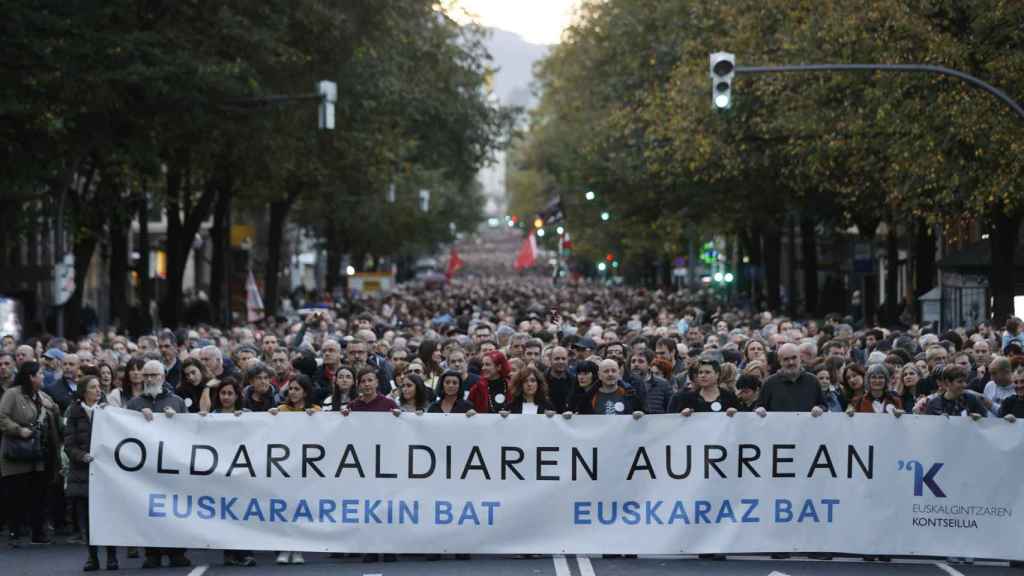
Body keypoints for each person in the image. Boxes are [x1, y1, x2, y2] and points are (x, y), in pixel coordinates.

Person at [126, 360, 190, 569]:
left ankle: (176, 553)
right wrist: (137, 419)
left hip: (171, 468)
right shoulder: (134, 404)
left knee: (174, 511)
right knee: (149, 511)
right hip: (147, 469)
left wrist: (176, 419)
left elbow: (190, 433)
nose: (149, 379)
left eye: (153, 375)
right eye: (146, 376)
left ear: (162, 377)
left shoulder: (177, 402)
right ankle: (152, 553)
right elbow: (125, 433)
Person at [0, 361, 62, 546]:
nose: (43, 376)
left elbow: (56, 413)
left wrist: (50, 406)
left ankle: (38, 532)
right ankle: (15, 532)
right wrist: (18, 430)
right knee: (16, 494)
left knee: (39, 494)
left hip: (38, 453)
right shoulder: (13, 394)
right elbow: (2, 417)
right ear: (31, 377)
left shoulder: (41, 395)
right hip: (16, 453)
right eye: (40, 373)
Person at [64, 376, 117, 571]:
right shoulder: (74, 412)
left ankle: (112, 556)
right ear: (83, 391)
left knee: (107, 516)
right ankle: (92, 557)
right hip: (83, 473)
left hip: (105, 473)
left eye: (99, 387)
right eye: (93, 387)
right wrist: (82, 456)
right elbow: (69, 444)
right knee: (87, 519)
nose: (98, 390)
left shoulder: (107, 410)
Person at [755, 343, 826, 416]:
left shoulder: (813, 381)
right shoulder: (769, 383)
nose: (791, 362)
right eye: (786, 359)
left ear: (800, 358)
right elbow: (759, 407)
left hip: (807, 426)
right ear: (780, 361)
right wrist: (760, 410)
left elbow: (824, 406)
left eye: (794, 358)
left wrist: (820, 409)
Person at [668, 358, 740, 415]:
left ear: (717, 375)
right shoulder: (688, 398)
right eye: (700, 372)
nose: (703, 375)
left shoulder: (729, 396)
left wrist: (735, 413)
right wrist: (682, 415)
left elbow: (740, 420)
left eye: (707, 372)